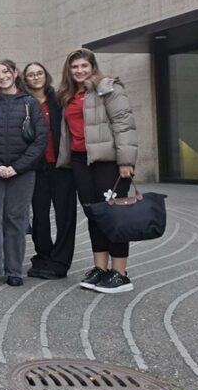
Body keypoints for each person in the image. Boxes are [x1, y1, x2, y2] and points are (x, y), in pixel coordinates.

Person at [56, 48, 138, 294]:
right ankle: (100, 269)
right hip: (81, 161)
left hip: (108, 161)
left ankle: (120, 274)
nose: (79, 70)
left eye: (84, 65)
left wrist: (126, 161)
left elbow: (124, 124)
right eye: (75, 67)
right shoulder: (69, 95)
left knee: (114, 215)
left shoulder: (109, 88)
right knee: (94, 214)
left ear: (93, 66)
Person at [0, 59, 47, 288]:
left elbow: (40, 140)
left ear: (15, 73)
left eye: (6, 72)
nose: (2, 77)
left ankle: (14, 270)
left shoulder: (29, 103)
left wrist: (17, 167)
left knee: (16, 219)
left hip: (22, 172)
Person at [23, 62, 78, 280]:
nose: (36, 77)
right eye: (31, 75)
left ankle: (61, 260)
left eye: (39, 73)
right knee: (39, 215)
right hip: (36, 167)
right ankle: (43, 255)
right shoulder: (24, 102)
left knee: (65, 215)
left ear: (46, 76)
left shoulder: (59, 99)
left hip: (61, 165)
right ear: (25, 80)